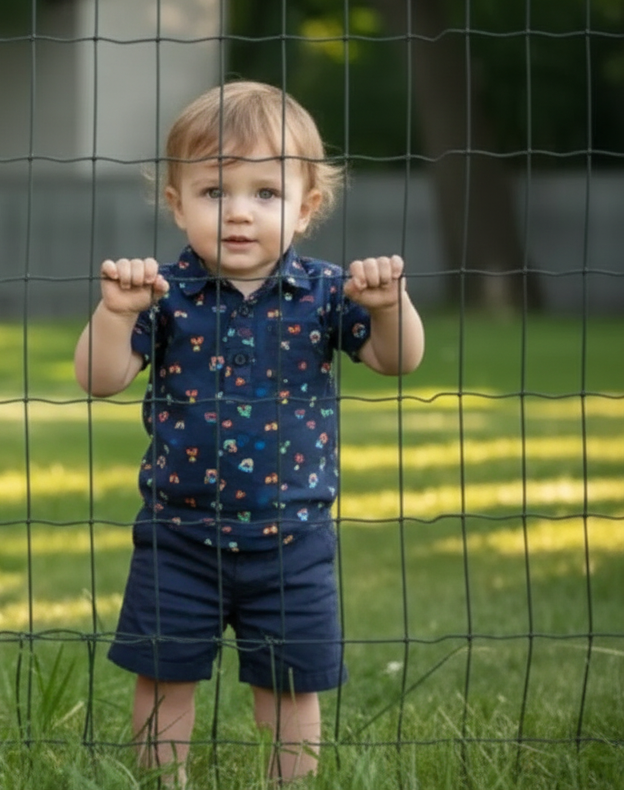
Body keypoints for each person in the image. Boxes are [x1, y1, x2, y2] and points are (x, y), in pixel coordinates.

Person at [73, 80, 424, 784]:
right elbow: (99, 378)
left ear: (307, 207)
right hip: (178, 534)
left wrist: (391, 307)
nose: (239, 213)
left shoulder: (327, 292)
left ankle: (287, 783)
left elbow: (397, 359)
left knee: (292, 686)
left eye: (266, 193)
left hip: (293, 537)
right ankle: (161, 780)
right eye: (214, 193)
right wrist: (114, 314)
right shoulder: (163, 292)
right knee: (164, 678)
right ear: (176, 203)